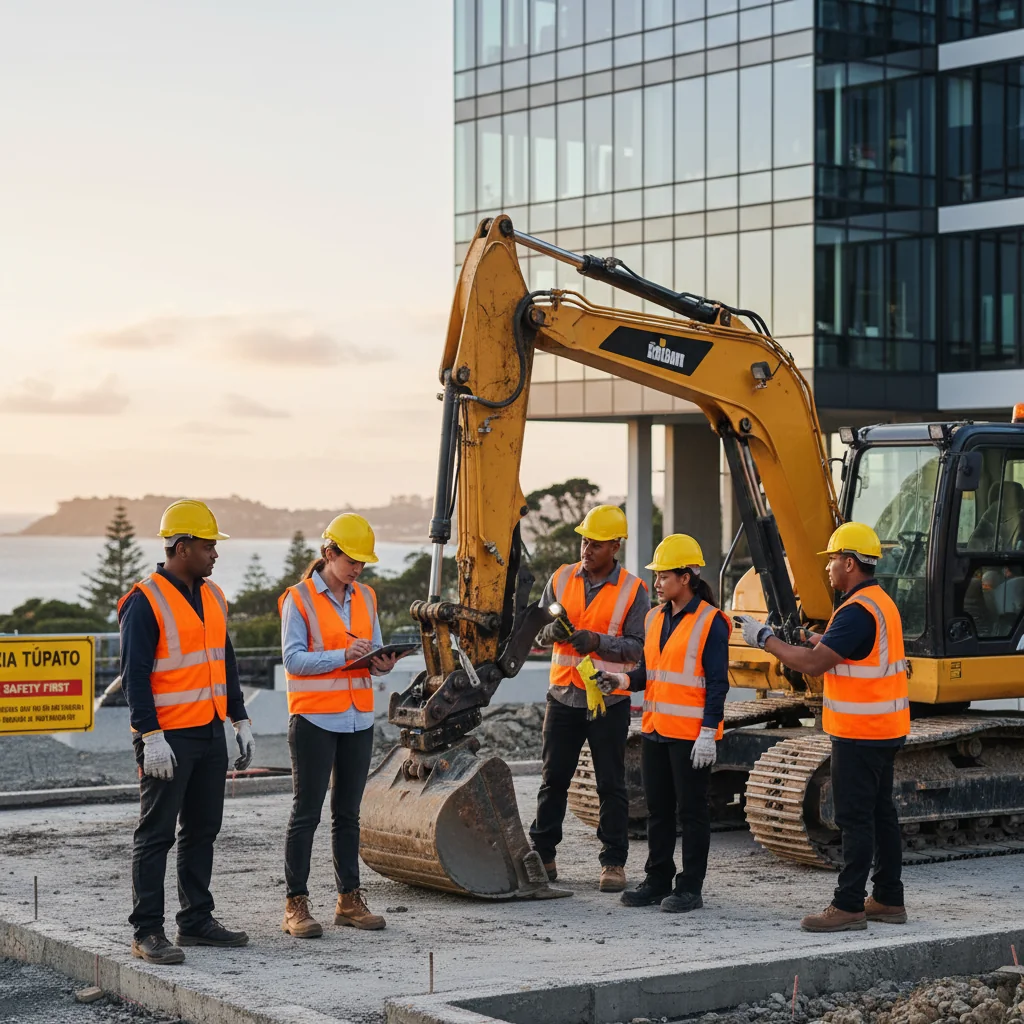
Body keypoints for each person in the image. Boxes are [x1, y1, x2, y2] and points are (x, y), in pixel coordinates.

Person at [735, 522, 909, 933]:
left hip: (860, 731)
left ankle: (848, 904)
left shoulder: (855, 611)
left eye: (832, 560)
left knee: (854, 818)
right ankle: (887, 898)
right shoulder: (878, 602)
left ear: (850, 563)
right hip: (884, 727)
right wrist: (811, 637)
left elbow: (814, 666)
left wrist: (764, 639)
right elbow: (849, 654)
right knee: (881, 814)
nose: (828, 568)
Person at [118, 499, 254, 965]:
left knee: (202, 829)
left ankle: (195, 920)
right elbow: (135, 675)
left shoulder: (213, 596)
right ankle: (147, 931)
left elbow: (225, 660)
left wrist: (239, 718)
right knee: (156, 834)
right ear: (181, 546)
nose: (215, 553)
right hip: (166, 737)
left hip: (208, 731)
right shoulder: (144, 600)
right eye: (208, 545)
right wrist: (149, 735)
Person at [278, 513, 398, 938]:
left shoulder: (365, 596)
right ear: (329, 553)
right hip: (313, 718)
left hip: (357, 718)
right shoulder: (300, 598)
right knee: (306, 813)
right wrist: (343, 657)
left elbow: (374, 650)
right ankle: (295, 904)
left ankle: (349, 899)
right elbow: (292, 659)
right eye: (352, 561)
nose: (358, 570)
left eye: (363, 564)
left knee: (348, 814)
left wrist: (380, 663)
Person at [596, 534, 730, 913]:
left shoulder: (711, 621)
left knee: (692, 812)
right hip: (656, 730)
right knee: (658, 810)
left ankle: (690, 887)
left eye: (663, 576)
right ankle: (657, 879)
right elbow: (649, 672)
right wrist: (622, 681)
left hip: (690, 736)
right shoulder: (654, 618)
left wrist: (709, 732)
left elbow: (718, 682)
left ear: (685, 577)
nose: (656, 582)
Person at [529, 504, 650, 892]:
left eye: (596, 544)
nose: (587, 549)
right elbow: (537, 631)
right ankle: (542, 855)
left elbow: (638, 649)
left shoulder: (634, 590)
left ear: (614, 546)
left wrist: (598, 641)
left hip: (607, 700)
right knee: (553, 781)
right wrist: (551, 635)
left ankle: (613, 862)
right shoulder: (562, 578)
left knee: (611, 785)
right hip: (563, 695)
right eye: (584, 541)